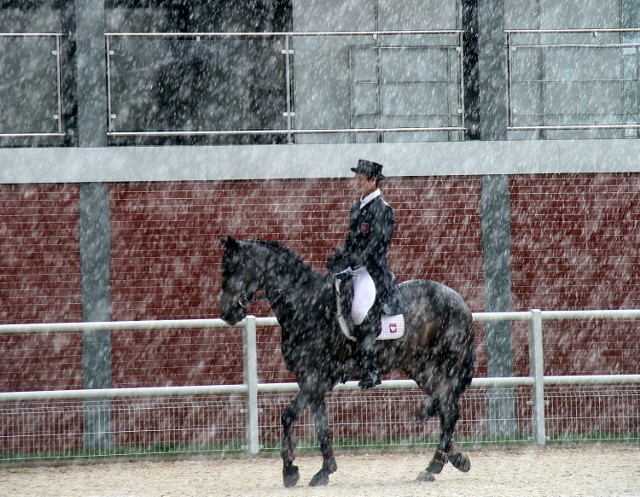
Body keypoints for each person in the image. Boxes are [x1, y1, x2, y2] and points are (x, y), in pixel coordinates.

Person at [327, 159, 409, 389]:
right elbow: (351, 241)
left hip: (371, 271)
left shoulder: (383, 210)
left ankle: (372, 369)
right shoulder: (357, 208)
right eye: (357, 179)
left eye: (362, 180)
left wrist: (353, 261)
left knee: (359, 310)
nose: (358, 183)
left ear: (374, 180)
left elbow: (375, 247)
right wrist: (338, 257)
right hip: (354, 268)